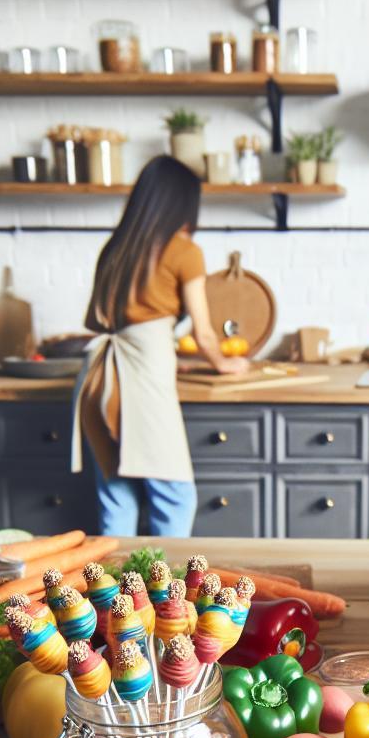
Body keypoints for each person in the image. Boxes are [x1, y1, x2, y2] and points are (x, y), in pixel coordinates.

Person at [71, 155, 246, 537]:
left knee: (118, 498)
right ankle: (171, 591)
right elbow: (203, 333)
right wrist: (223, 363)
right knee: (175, 496)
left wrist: (166, 358)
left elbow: (105, 322)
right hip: (140, 382)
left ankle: (114, 592)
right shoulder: (184, 251)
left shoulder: (115, 247)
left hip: (98, 379)